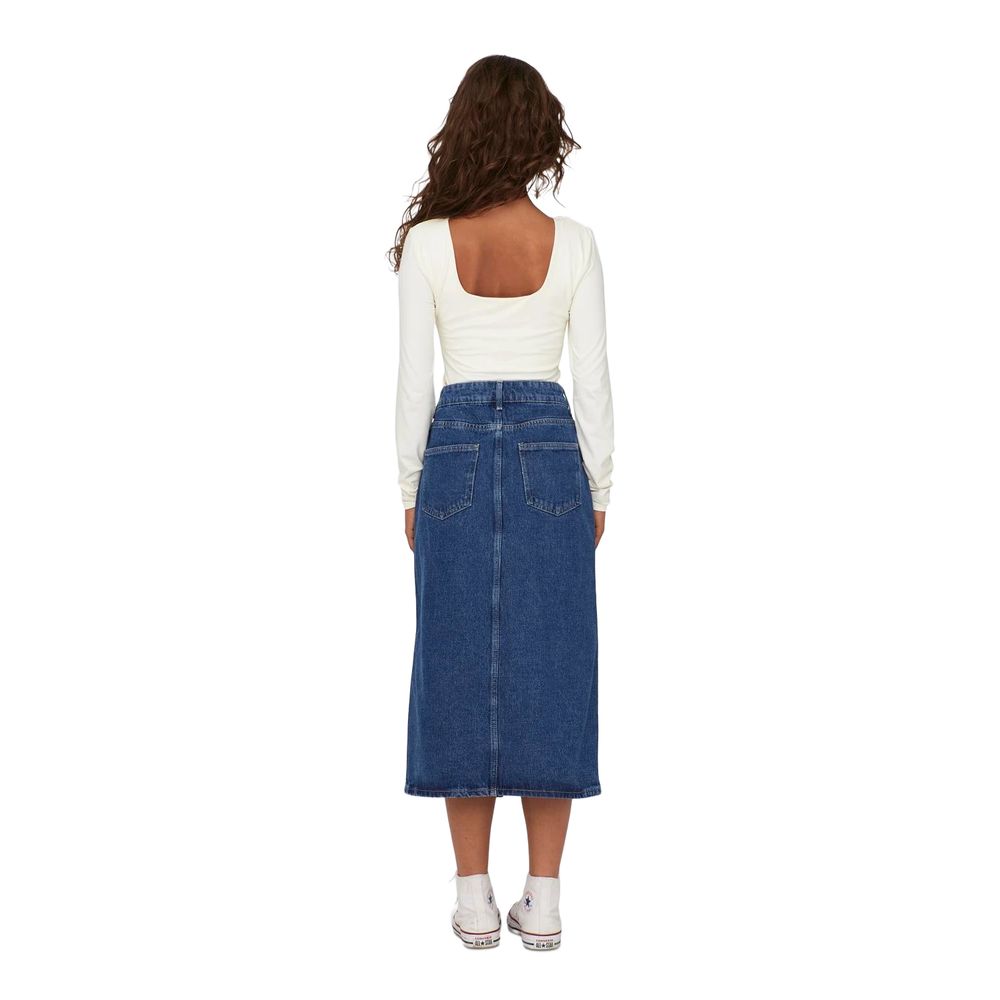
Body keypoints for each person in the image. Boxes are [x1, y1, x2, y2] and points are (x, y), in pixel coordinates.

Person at [390, 55, 614, 952]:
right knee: (557, 662)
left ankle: (475, 898)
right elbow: (591, 379)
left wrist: (412, 486)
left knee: (454, 661)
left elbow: (414, 382)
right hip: (551, 451)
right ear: (539, 136)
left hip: (452, 451)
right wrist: (599, 486)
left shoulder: (428, 243)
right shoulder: (577, 243)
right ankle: (545, 900)